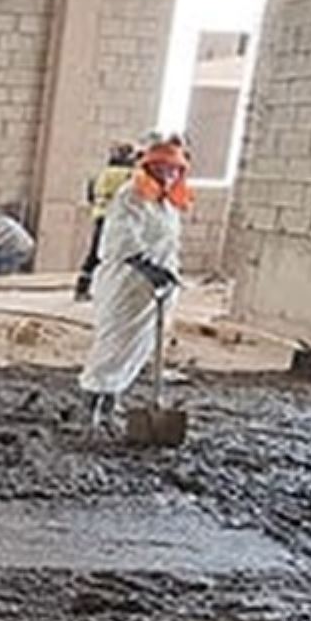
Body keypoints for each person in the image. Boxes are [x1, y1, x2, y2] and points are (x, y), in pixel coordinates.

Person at [79, 137, 192, 425]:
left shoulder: (167, 203)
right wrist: (146, 266)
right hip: (127, 282)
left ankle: (112, 401)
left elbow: (168, 243)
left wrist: (168, 273)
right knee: (115, 341)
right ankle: (91, 404)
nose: (170, 173)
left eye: (175, 168)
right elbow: (121, 239)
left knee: (138, 346)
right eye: (163, 167)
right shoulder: (132, 195)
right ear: (150, 166)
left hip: (156, 289)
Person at [75, 142, 141, 301]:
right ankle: (115, 293)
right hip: (118, 219)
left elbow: (92, 195)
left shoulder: (103, 174)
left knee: (95, 254)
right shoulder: (129, 175)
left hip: (100, 216)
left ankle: (82, 288)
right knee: (121, 256)